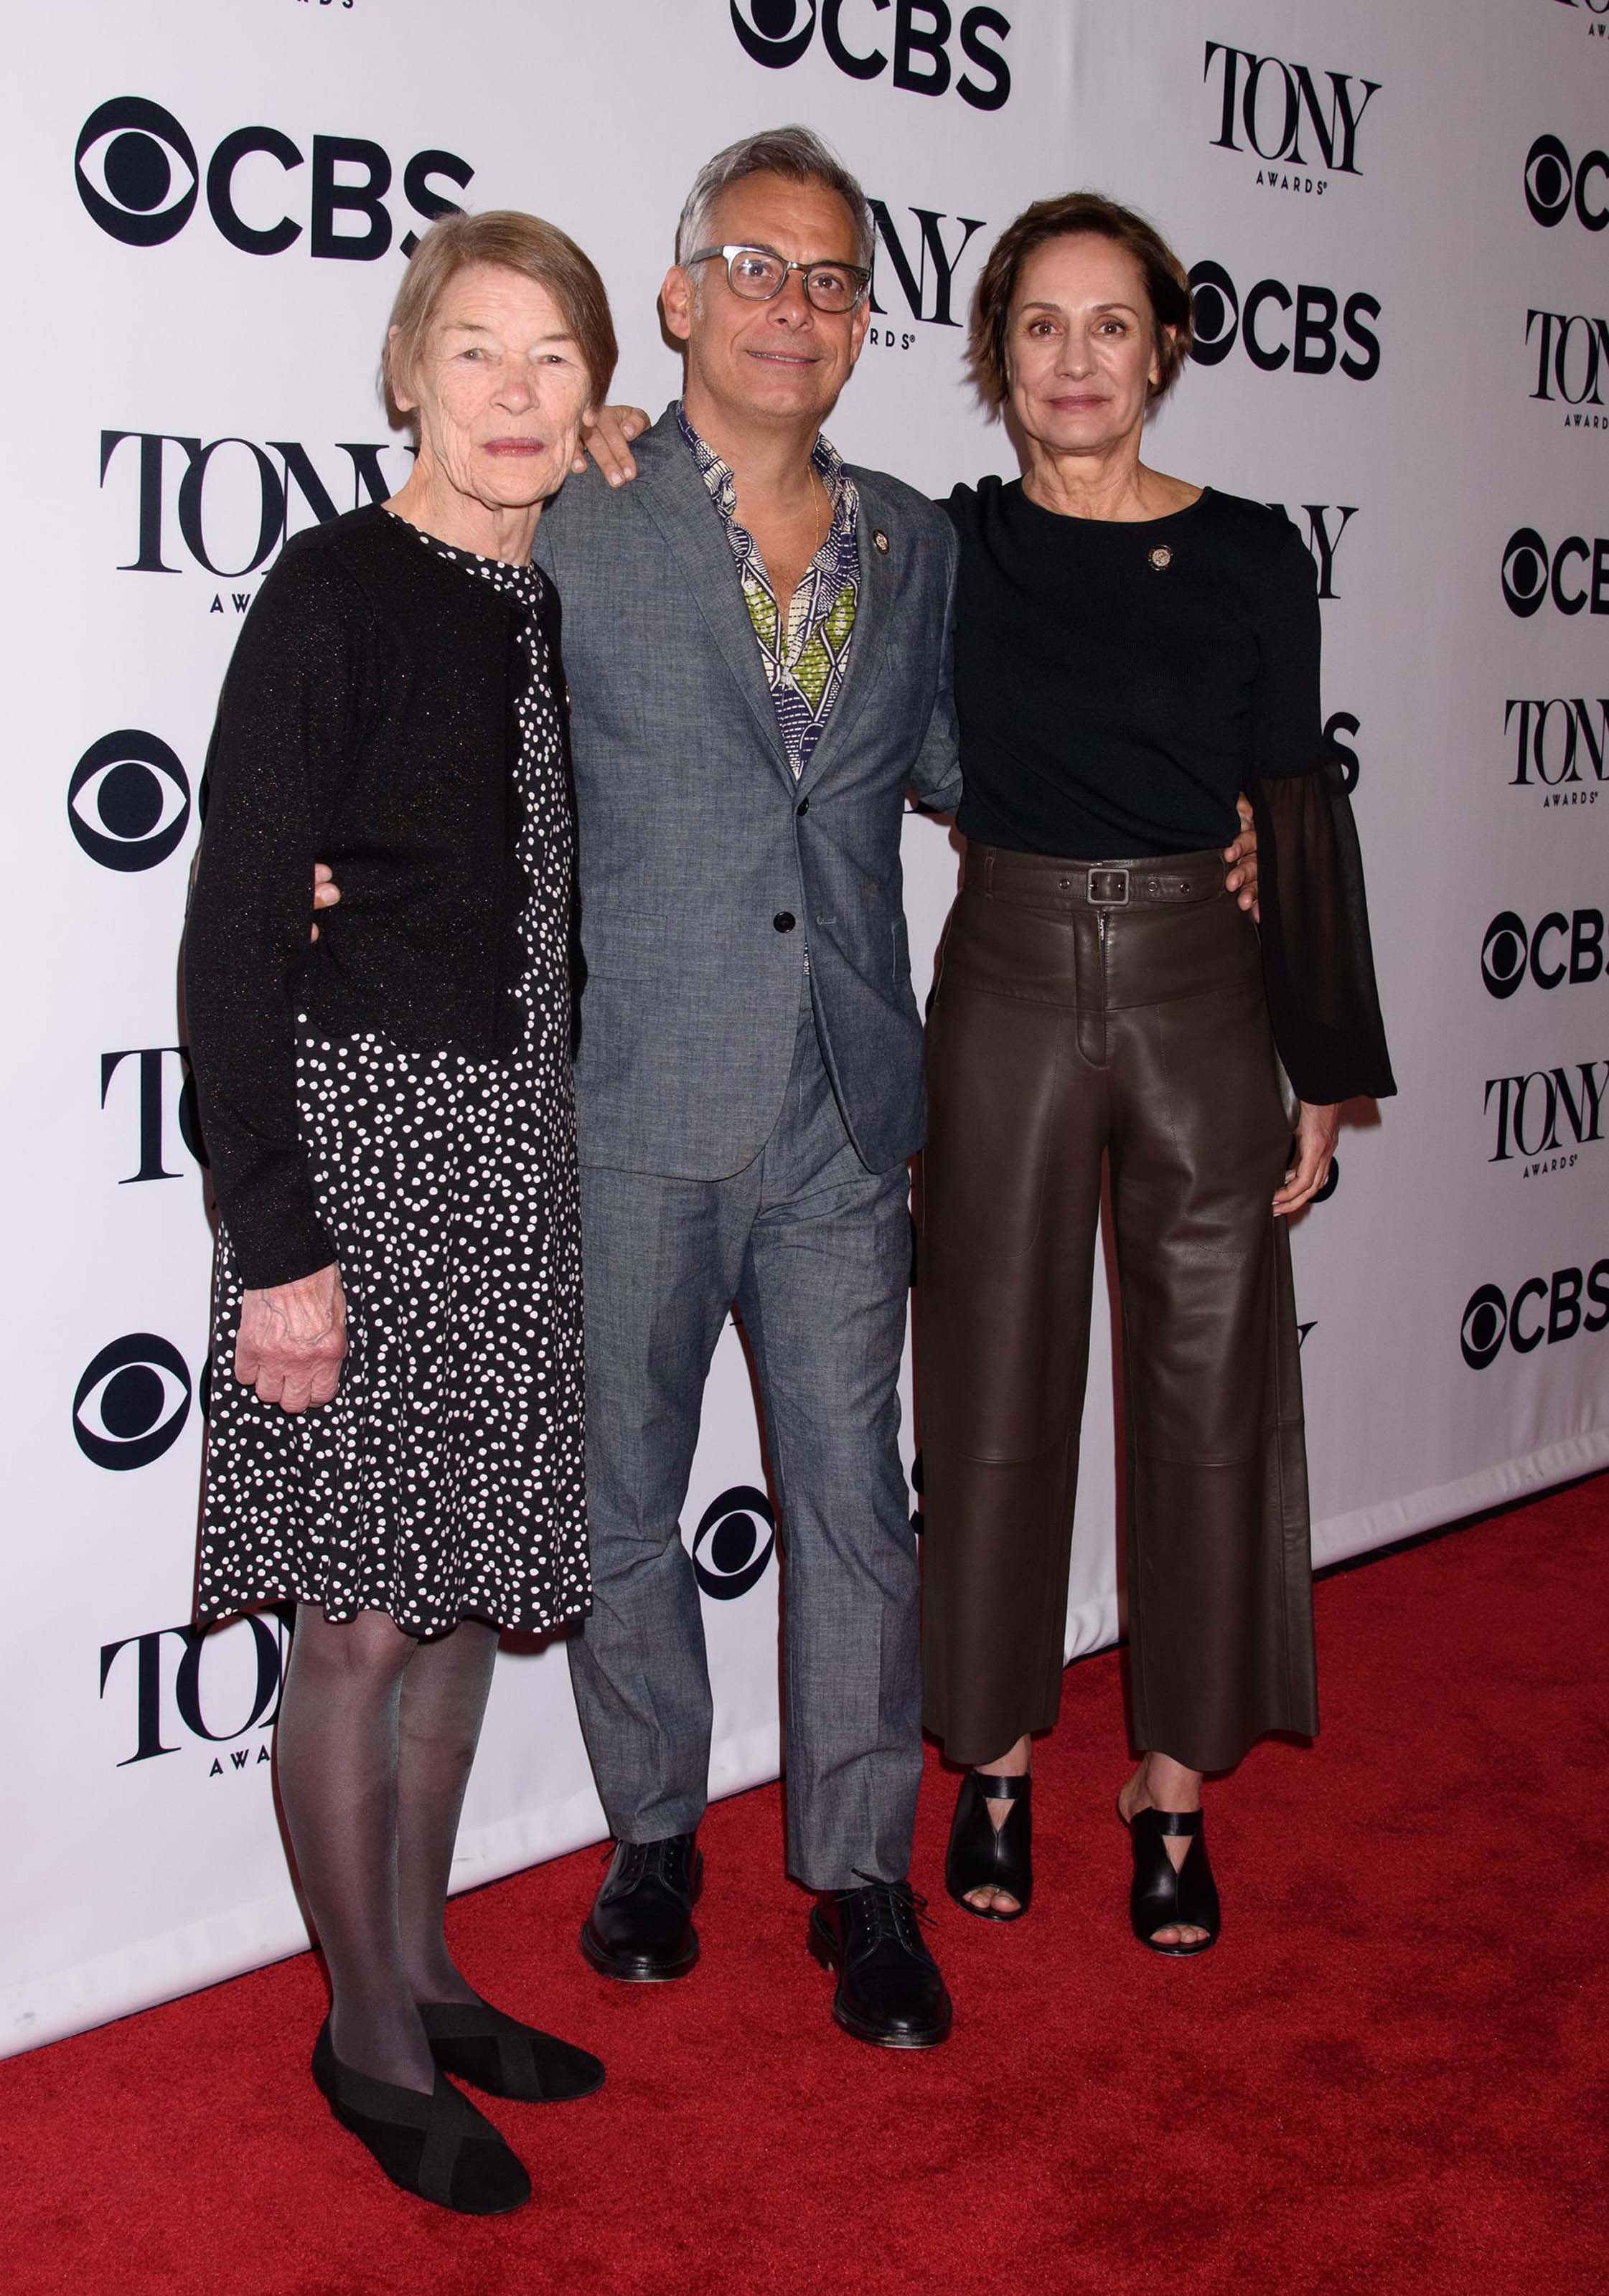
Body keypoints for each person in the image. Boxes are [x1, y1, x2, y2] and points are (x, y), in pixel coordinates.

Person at [184, 210, 616, 2211]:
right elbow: (230, 931)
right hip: (359, 1155)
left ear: (594, 395)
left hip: (517, 1152)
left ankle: (426, 1972)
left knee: (448, 1611)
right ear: (406, 374)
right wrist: (277, 1242)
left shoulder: (553, 602)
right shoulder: (336, 588)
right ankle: (359, 2042)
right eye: (477, 351)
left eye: (554, 359)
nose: (514, 394)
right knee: (356, 1626)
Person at [917, 194, 1394, 1949]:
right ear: (996, 353)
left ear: (1164, 346)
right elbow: (771, 532)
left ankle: (1171, 1787)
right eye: (1038, 325)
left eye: (1107, 325)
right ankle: (994, 1754)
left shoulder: (1260, 549)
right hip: (1009, 974)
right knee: (988, 1384)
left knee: (1207, 1391)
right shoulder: (944, 545)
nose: (1072, 360)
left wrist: (1324, 1068)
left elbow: (1294, 800)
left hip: (1202, 978)